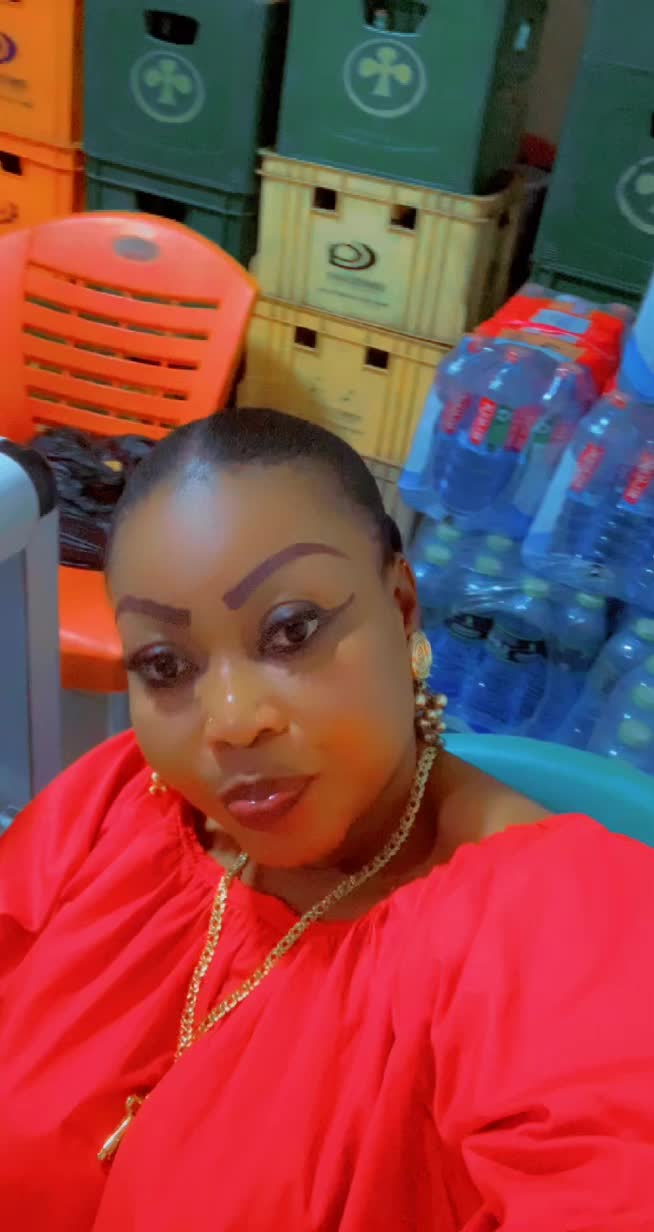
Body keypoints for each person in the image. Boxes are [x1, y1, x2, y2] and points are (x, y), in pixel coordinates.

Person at [0, 407, 653, 1230]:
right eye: (165, 665)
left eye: (291, 631)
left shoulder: (563, 924)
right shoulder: (121, 801)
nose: (231, 721)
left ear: (402, 605)